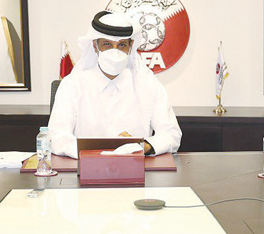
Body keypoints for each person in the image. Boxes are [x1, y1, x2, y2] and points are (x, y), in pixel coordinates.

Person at [48, 11, 182, 159]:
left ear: (131, 46)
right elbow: (56, 136)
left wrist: (144, 146)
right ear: (95, 45)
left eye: (122, 45)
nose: (115, 51)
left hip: (135, 172)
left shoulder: (148, 84)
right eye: (107, 44)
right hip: (86, 171)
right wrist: (101, 151)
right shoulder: (72, 85)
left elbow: (172, 134)